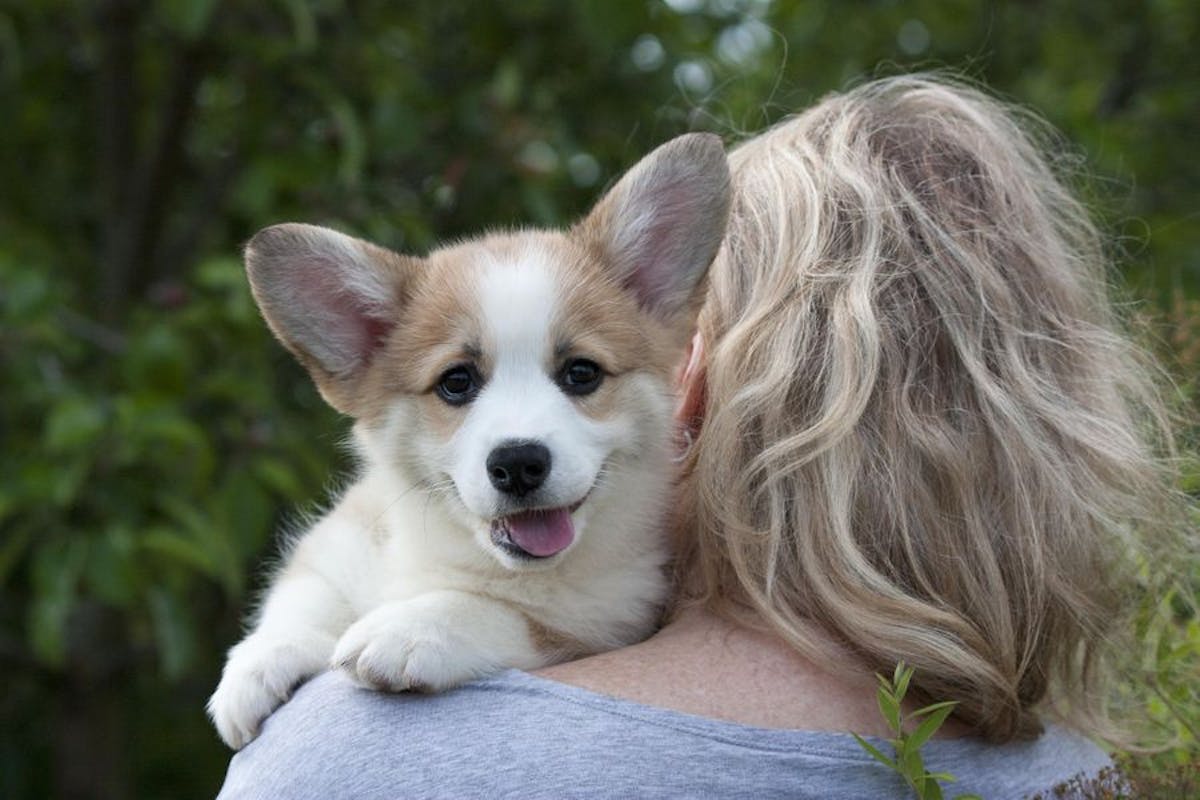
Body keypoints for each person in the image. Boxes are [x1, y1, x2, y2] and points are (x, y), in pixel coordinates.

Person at [216, 75, 1186, 799]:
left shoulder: (359, 762)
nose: (519, 431)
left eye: (582, 372)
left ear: (691, 373)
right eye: (460, 384)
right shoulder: (1085, 772)